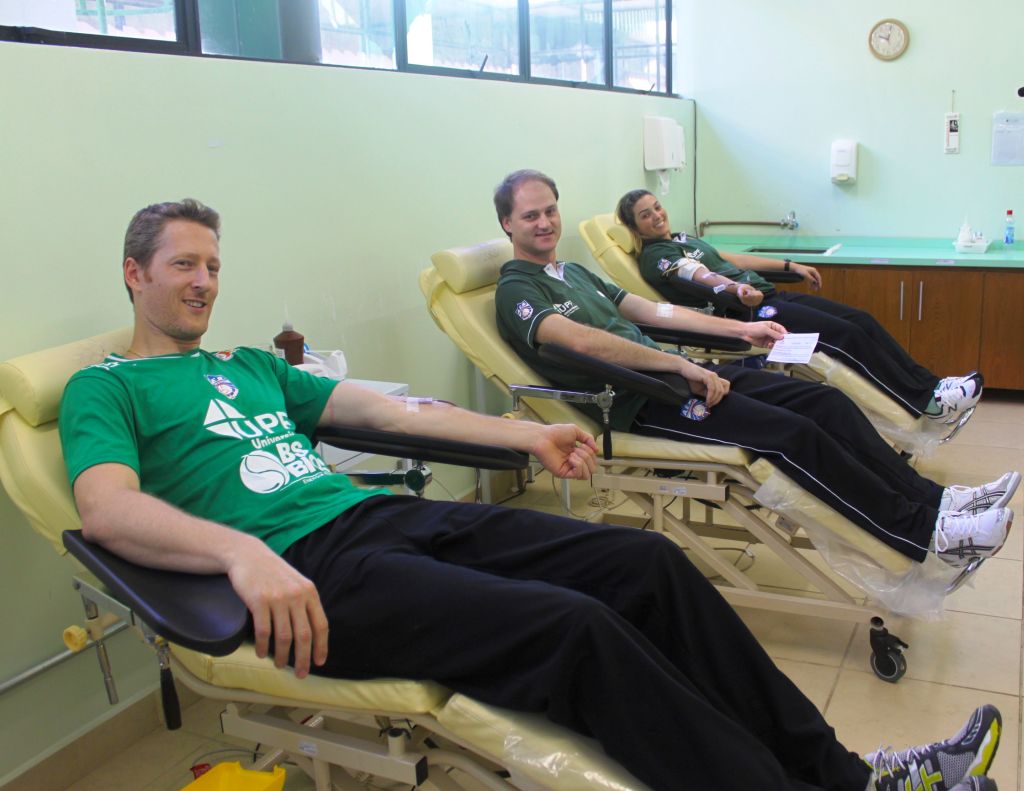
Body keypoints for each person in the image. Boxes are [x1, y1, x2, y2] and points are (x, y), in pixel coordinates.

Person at [58, 199, 1002, 791]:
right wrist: (241, 551)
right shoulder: (107, 388)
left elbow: (389, 415)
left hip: (379, 519)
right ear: (135, 274)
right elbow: (104, 507)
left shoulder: (251, 366)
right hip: (309, 575)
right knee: (572, 629)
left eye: (213, 264)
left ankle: (846, 775)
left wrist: (527, 432)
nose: (203, 282)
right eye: (183, 265)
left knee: (648, 562)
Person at [493, 170, 1018, 570]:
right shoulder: (517, 288)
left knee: (826, 403)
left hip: (675, 378)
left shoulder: (574, 272)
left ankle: (937, 499)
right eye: (530, 216)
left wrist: (738, 332)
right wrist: (680, 363)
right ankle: (927, 535)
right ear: (507, 224)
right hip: (635, 403)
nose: (544, 222)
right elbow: (590, 344)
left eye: (550, 211)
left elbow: (653, 312)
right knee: (793, 434)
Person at [615, 188, 981, 422]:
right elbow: (698, 275)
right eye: (645, 215)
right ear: (636, 227)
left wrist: (790, 266)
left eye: (656, 207)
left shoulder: (681, 237)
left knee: (861, 319)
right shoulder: (658, 257)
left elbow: (732, 259)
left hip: (771, 298)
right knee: (846, 336)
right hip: (751, 314)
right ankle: (926, 404)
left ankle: (933, 385)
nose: (657, 215)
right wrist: (734, 290)